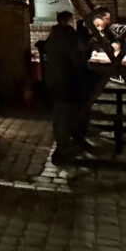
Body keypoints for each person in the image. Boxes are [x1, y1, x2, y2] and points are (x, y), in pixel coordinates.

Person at [42, 11, 88, 164]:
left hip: (55, 82)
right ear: (70, 21)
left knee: (59, 115)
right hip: (69, 82)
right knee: (69, 115)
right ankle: (64, 149)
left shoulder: (54, 35)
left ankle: (64, 145)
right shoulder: (69, 36)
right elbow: (77, 59)